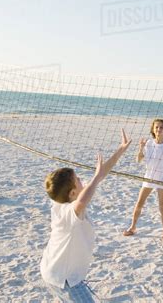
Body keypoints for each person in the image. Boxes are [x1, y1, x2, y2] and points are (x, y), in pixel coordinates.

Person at [40, 129, 131, 302]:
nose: (83, 180)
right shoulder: (68, 212)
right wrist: (96, 177)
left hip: (53, 271)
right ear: (73, 193)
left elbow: (100, 175)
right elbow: (83, 199)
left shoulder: (60, 201)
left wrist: (120, 149)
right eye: (79, 179)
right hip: (65, 280)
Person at [123, 119, 163, 241]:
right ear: (153, 130)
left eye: (161, 127)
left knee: (162, 207)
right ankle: (133, 227)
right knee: (139, 204)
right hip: (149, 177)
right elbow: (138, 160)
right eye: (156, 127)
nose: (159, 129)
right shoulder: (149, 143)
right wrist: (140, 148)